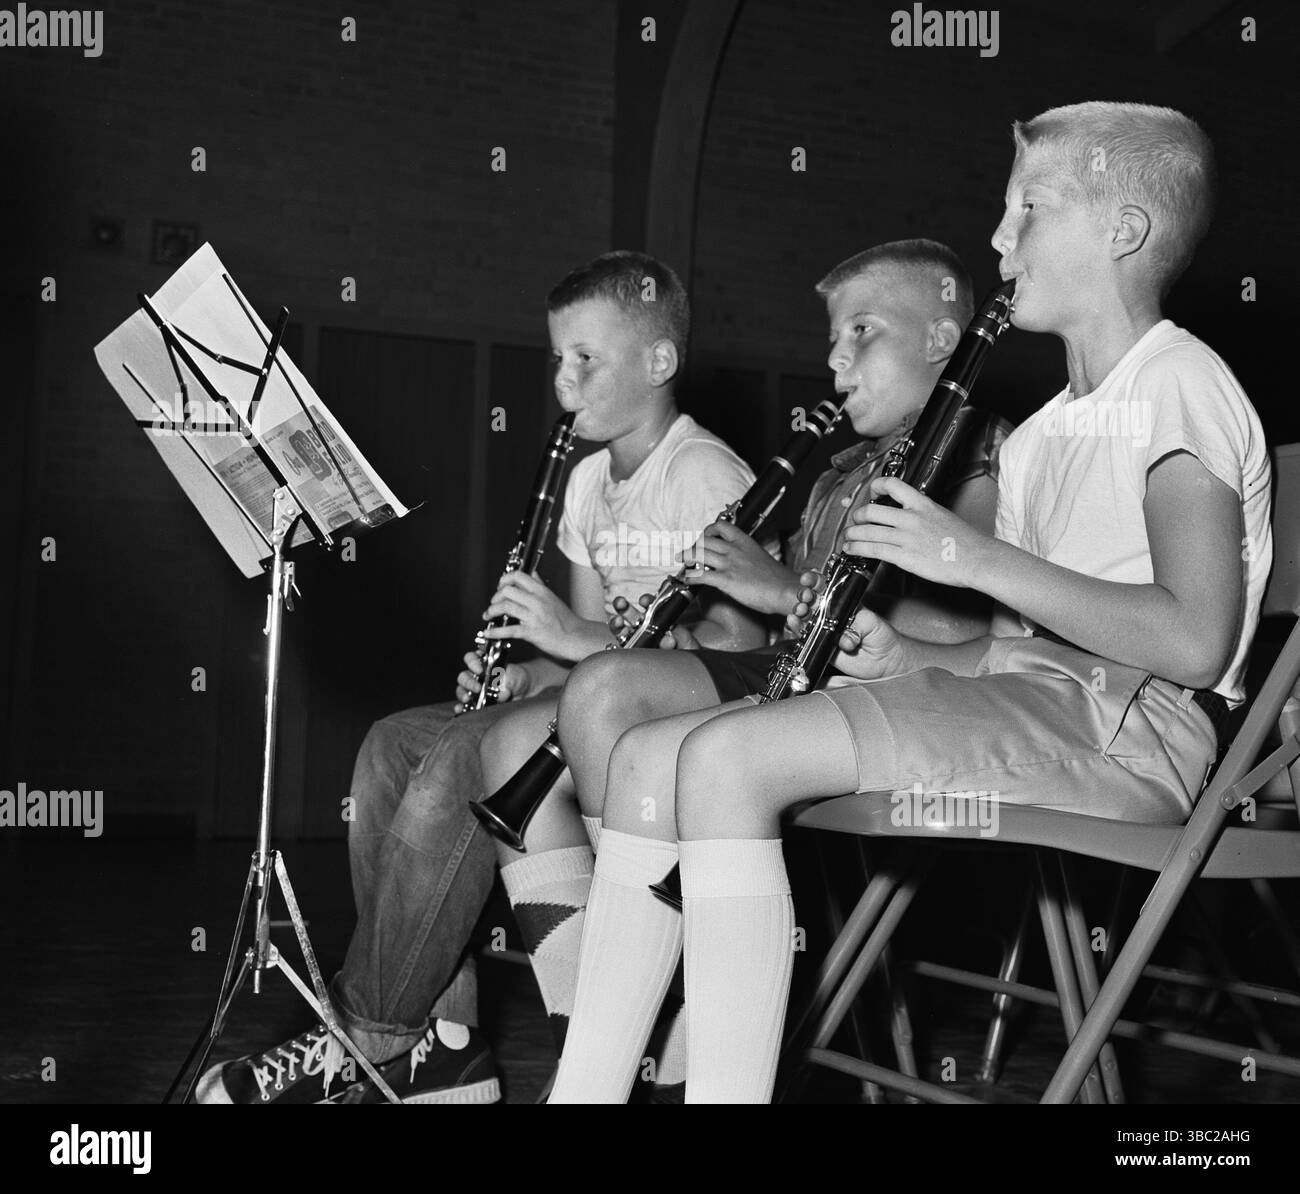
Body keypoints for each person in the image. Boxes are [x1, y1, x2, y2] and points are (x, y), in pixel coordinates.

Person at [549, 102, 1273, 1103]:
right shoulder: (1042, 435)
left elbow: (1192, 642)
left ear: (1122, 232)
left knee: (722, 756)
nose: (996, 235)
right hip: (1050, 709)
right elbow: (1018, 653)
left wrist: (968, 556)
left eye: (1031, 206)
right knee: (643, 753)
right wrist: (915, 661)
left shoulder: (1177, 384)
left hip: (1140, 738)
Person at [197, 250, 763, 1103]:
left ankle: (368, 1035)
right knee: (394, 744)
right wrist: (522, 670)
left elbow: (739, 647)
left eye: (587, 360)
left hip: (666, 732)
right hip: (587, 710)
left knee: (462, 757)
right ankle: (446, 1040)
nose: (564, 385)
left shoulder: (704, 473)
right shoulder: (582, 483)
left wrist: (568, 639)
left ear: (659, 363)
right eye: (557, 360)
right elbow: (572, 658)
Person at [478, 240, 1011, 1088]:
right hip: (795, 682)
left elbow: (949, 631)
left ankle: (658, 1051)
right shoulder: (845, 467)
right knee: (519, 742)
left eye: (862, 332)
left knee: (610, 688)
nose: (834, 357)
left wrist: (772, 588)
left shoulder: (973, 453)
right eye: (832, 336)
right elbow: (789, 626)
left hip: (884, 710)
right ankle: (617, 1036)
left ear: (945, 340)